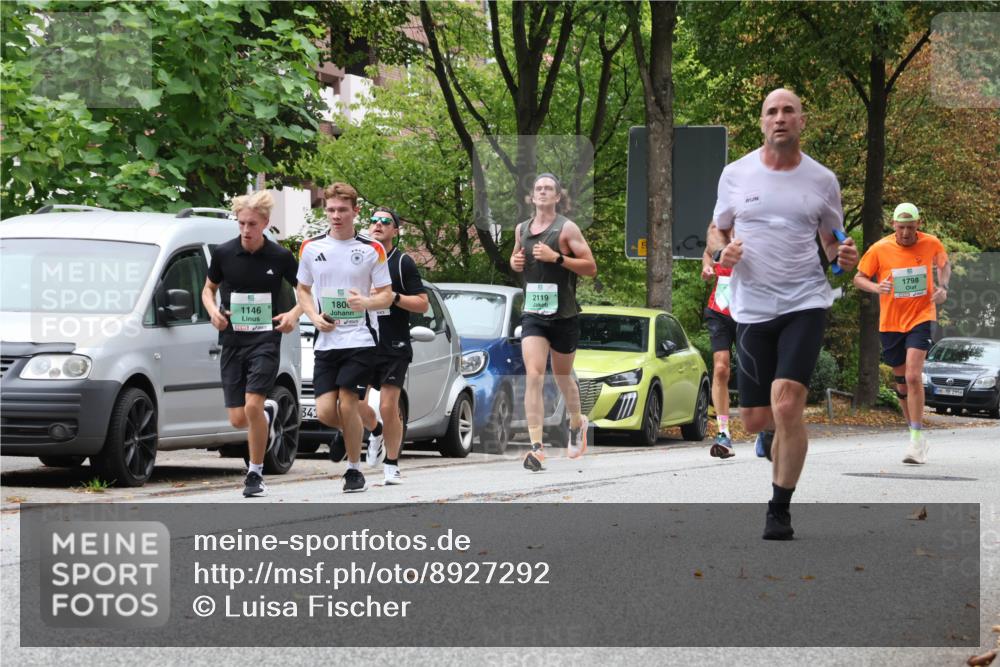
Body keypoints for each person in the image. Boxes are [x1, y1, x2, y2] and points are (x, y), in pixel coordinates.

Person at [706, 88, 858, 540]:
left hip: (804, 302)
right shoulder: (736, 174)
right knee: (757, 418)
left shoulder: (822, 180)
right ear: (761, 123)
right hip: (752, 306)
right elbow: (716, 229)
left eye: (788, 110)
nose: (780, 118)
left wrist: (842, 261)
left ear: (801, 121)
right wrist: (722, 253)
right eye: (771, 111)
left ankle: (779, 509)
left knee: (788, 402)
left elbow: (834, 244)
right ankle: (772, 434)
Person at [202, 190, 301, 498]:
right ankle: (268, 414)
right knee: (237, 420)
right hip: (232, 340)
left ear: (265, 224)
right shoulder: (224, 253)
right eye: (241, 223)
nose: (245, 230)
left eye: (252, 224)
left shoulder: (281, 257)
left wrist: (294, 314)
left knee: (253, 405)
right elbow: (208, 289)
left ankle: (255, 474)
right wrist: (213, 312)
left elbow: (307, 290)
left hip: (265, 340)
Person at [296, 182, 393, 493]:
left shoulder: (371, 250)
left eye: (342, 210)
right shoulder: (311, 248)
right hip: (326, 340)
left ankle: (354, 471)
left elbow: (387, 296)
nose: (336, 216)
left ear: (355, 211)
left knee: (348, 402)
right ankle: (363, 430)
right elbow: (303, 290)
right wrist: (312, 316)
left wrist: (366, 303)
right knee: (326, 412)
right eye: (331, 210)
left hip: (361, 339)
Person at [510, 173, 597, 472]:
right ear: (532, 197)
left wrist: (557, 258)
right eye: (539, 189)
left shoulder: (566, 229)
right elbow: (515, 258)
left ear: (558, 197)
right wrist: (515, 262)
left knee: (562, 378)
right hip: (534, 314)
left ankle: (577, 422)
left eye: (549, 189)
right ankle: (537, 448)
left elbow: (590, 267)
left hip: (564, 316)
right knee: (533, 375)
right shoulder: (521, 229)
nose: (543, 192)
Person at [853, 202, 950, 465]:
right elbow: (859, 278)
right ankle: (915, 435)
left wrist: (943, 287)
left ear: (918, 224)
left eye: (910, 227)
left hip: (922, 316)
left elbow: (944, 264)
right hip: (891, 323)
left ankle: (916, 441)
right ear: (893, 225)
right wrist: (877, 288)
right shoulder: (880, 249)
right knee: (901, 385)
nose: (906, 233)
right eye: (901, 228)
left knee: (912, 375)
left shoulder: (931, 243)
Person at [356, 206, 430, 485]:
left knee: (389, 406)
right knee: (353, 405)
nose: (378, 225)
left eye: (385, 221)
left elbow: (422, 303)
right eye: (373, 220)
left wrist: (394, 297)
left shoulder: (402, 263)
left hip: (394, 345)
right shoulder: (359, 259)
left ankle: (392, 463)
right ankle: (374, 431)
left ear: (395, 230)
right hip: (363, 342)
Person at [701, 238, 738, 458]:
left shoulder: (757, 218)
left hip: (750, 308)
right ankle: (723, 433)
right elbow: (708, 252)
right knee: (721, 367)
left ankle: (766, 426)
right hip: (719, 309)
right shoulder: (719, 226)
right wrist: (707, 267)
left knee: (755, 368)